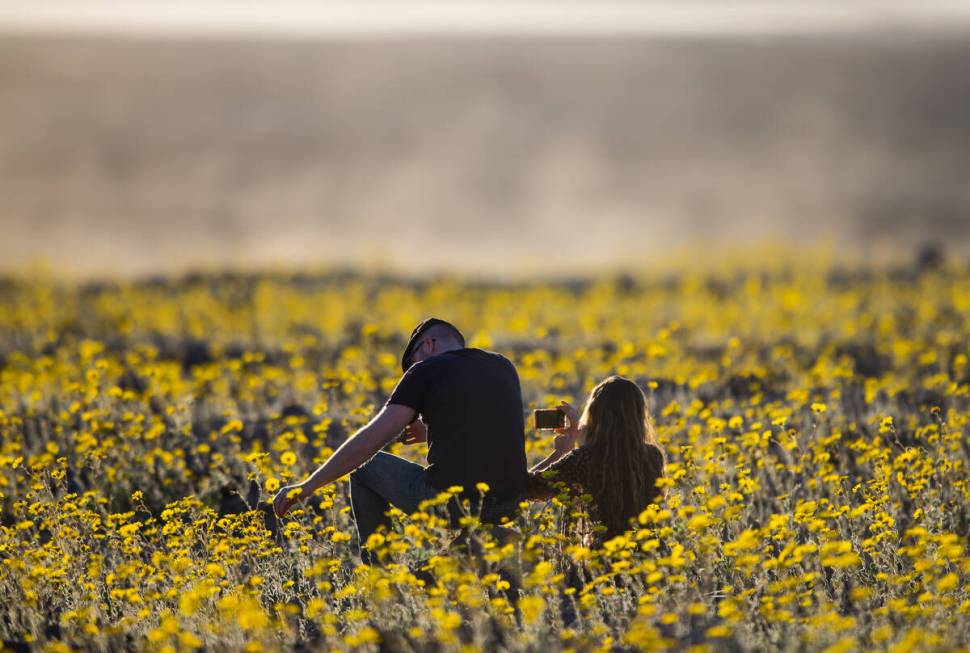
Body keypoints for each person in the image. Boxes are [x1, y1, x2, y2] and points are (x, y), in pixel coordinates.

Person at [273, 318, 529, 563]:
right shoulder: (502, 365)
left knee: (364, 467)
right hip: (509, 502)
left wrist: (307, 486)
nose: (411, 370)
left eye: (412, 363)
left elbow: (368, 443)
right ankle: (483, 541)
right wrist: (431, 432)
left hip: (454, 502)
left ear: (428, 344)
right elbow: (489, 426)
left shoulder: (426, 369)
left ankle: (382, 576)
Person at [526, 375, 665, 545]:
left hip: (602, 559)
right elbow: (613, 454)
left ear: (594, 414)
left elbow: (528, 488)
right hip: (650, 554)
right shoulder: (653, 456)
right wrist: (580, 437)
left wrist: (560, 452)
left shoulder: (583, 460)